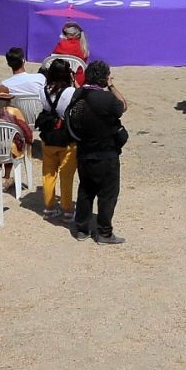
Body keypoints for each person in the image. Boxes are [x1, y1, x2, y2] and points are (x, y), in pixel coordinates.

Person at [68, 60, 127, 244]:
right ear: (104, 77)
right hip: (106, 153)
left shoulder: (77, 95)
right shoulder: (108, 99)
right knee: (108, 194)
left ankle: (82, 230)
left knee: (86, 190)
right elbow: (123, 105)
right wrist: (111, 85)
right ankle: (104, 233)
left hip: (84, 152)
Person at [37, 59, 78, 221]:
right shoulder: (70, 92)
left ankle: (49, 207)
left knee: (48, 173)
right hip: (66, 137)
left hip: (48, 136)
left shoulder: (42, 90)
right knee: (66, 175)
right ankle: (67, 209)